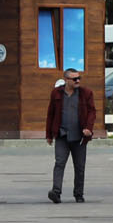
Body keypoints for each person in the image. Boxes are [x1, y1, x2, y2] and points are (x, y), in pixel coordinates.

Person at [44, 72, 96, 204]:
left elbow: (92, 112)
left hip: (79, 137)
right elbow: (51, 114)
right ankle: (56, 192)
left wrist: (88, 128)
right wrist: (49, 134)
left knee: (79, 167)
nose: (78, 81)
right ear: (66, 80)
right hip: (62, 135)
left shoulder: (86, 93)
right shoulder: (56, 93)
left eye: (79, 78)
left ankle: (79, 194)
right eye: (74, 79)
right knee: (59, 163)